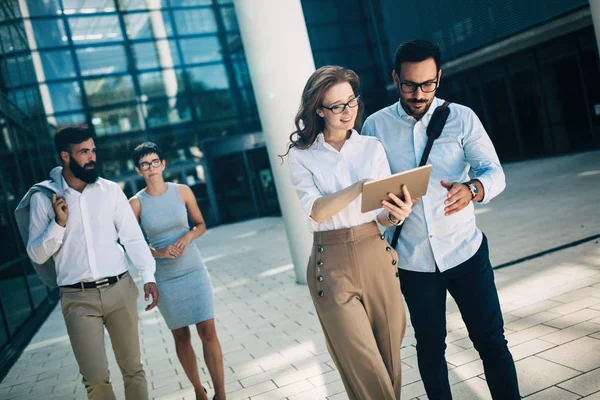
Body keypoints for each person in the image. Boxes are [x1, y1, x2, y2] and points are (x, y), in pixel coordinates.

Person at [362, 39, 520, 399]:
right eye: (408, 84)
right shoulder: (375, 126)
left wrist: (473, 189)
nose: (418, 94)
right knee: (431, 350)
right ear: (394, 78)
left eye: (427, 84)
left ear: (439, 77)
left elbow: (493, 171)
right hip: (414, 263)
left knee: (491, 342)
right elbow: (367, 194)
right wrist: (385, 208)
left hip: (465, 253)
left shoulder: (462, 118)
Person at [285, 65, 414, 400]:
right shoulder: (302, 155)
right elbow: (316, 210)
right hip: (332, 262)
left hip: (376, 252)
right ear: (319, 109)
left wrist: (396, 215)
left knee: (389, 361)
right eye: (337, 106)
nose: (348, 112)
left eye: (351, 102)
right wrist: (357, 187)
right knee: (364, 364)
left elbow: (382, 215)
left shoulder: (372, 147)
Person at [22, 126, 158, 400]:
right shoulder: (42, 198)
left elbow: (132, 237)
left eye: (93, 150)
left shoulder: (109, 191)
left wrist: (148, 275)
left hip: (119, 289)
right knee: (95, 379)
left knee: (133, 369)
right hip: (77, 297)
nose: (92, 157)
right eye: (84, 152)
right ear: (65, 156)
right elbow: (36, 254)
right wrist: (59, 224)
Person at [129, 142, 225, 400]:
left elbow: (201, 224)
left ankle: (221, 394)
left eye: (155, 161)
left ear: (163, 164)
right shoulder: (135, 204)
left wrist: (188, 237)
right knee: (181, 336)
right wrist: (158, 252)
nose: (152, 167)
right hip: (166, 279)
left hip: (194, 269)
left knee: (208, 331)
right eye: (145, 164)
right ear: (139, 170)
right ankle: (198, 391)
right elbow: (131, 245)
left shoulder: (182, 191)